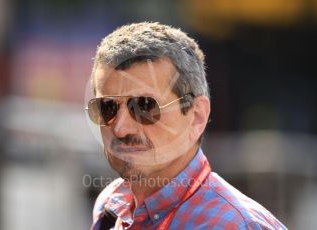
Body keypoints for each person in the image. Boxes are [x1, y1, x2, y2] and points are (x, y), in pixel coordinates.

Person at [86, 22, 287, 229]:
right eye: (107, 107)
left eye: (144, 106)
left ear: (196, 116)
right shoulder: (111, 207)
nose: (121, 128)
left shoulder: (236, 225)